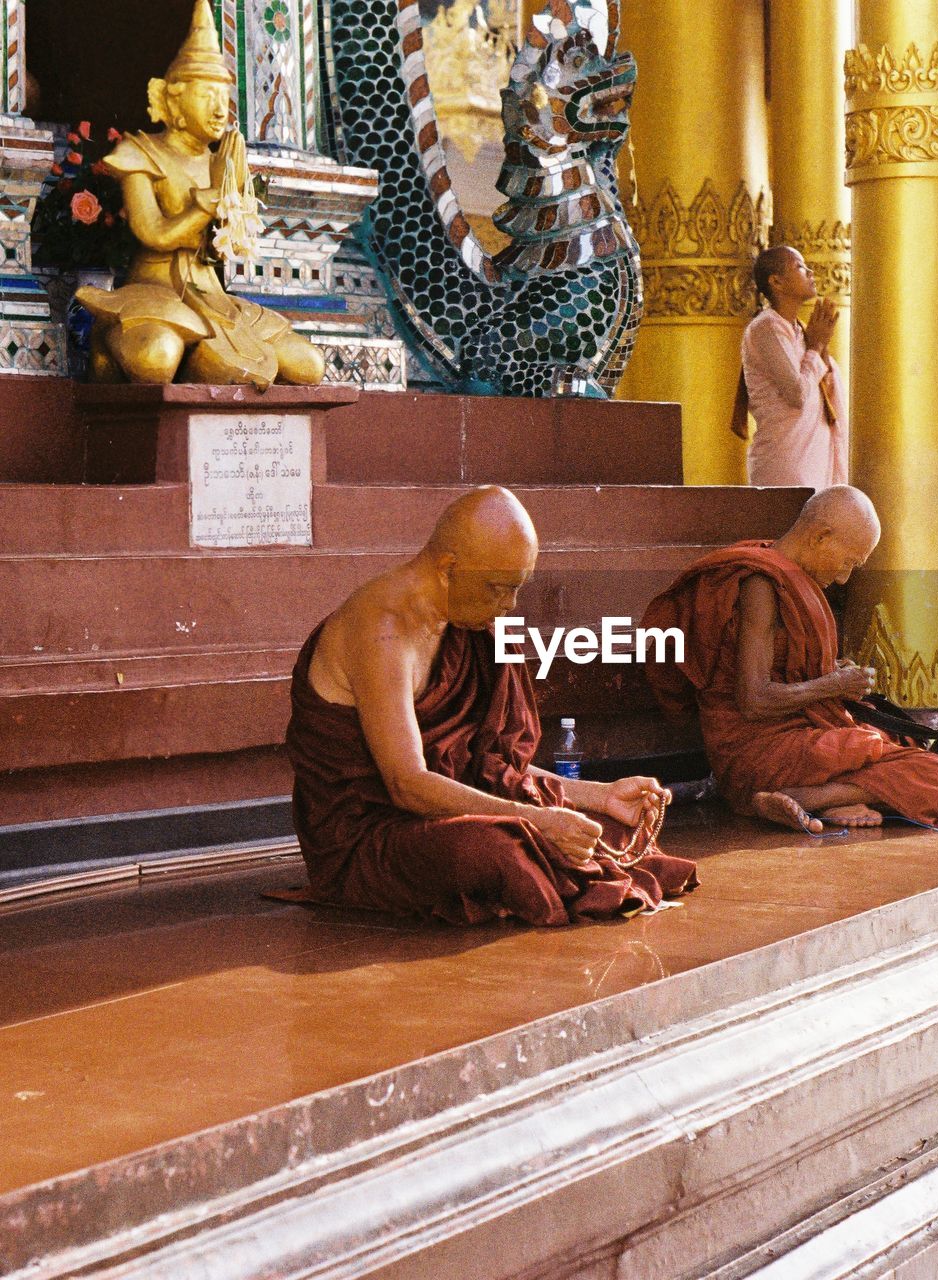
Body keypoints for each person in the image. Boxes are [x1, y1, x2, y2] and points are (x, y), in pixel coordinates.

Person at [285, 486, 698, 926]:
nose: (509, 606)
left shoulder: (469, 626)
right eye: (498, 589)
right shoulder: (381, 628)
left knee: (610, 828)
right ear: (448, 569)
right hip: (372, 837)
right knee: (495, 851)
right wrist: (536, 820)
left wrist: (601, 795)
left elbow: (488, 767)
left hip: (450, 816)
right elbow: (407, 785)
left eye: (517, 590)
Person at [641, 487, 938, 834]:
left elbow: (785, 668)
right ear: (821, 537)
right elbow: (753, 700)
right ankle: (806, 798)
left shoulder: (789, 575)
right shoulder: (760, 584)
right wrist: (832, 685)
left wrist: (827, 673)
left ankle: (815, 799)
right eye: (848, 562)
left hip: (798, 737)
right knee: (933, 772)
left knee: (917, 754)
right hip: (757, 752)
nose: (844, 577)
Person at [76, 0, 324, 389]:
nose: (219, 108)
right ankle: (113, 341)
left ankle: (208, 362)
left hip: (212, 295)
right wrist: (208, 200)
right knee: (155, 358)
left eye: (223, 96)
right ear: (172, 98)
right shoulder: (140, 152)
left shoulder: (221, 162)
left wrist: (232, 203)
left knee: (309, 366)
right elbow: (154, 234)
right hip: (154, 288)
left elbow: (225, 249)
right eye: (206, 94)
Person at [736, 245, 849, 489]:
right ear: (776, 282)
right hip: (785, 465)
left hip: (816, 459)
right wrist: (817, 346)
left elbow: (825, 392)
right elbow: (797, 394)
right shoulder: (765, 328)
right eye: (799, 267)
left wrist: (821, 348)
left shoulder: (800, 330)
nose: (810, 272)